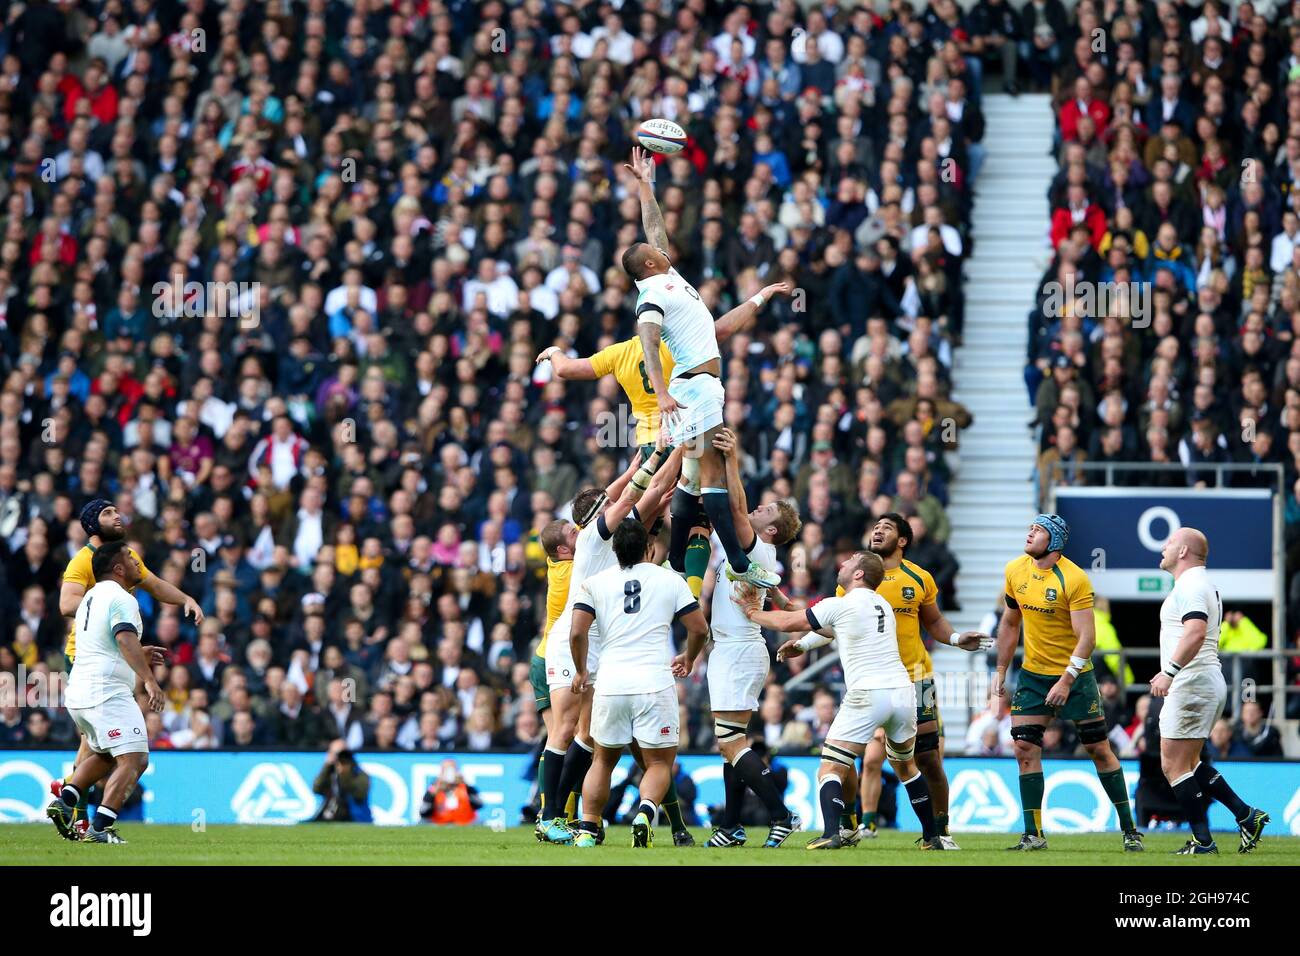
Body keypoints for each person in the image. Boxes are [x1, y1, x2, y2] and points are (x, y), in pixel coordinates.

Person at [537, 277, 791, 600]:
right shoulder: (676, 343)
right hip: (685, 433)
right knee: (702, 520)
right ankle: (692, 593)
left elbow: (566, 370)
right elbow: (722, 330)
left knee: (642, 531)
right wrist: (759, 297)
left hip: (648, 448)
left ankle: (656, 587)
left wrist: (555, 351)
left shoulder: (618, 354)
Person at [623, 145, 780, 591]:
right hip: (693, 387)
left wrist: (644, 185)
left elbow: (653, 227)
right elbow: (649, 344)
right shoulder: (651, 298)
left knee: (691, 481)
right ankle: (737, 560)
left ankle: (675, 562)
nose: (662, 247)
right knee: (711, 472)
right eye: (654, 251)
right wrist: (662, 391)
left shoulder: (666, 278)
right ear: (651, 264)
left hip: (697, 385)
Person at [742, 550, 948, 851]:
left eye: (850, 561)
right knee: (906, 768)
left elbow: (788, 621)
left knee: (830, 767)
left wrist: (752, 613)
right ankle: (932, 837)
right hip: (903, 693)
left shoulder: (841, 603)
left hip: (867, 693)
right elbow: (834, 628)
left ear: (859, 573)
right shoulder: (883, 606)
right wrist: (803, 644)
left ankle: (832, 832)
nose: (842, 564)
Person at [537, 448, 683, 844]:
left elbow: (646, 493)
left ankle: (579, 818)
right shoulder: (591, 538)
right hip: (572, 643)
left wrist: (660, 461)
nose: (614, 504)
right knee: (566, 729)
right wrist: (674, 449)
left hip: (599, 647)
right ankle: (548, 815)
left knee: (588, 735)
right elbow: (637, 494)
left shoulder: (612, 542)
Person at [51, 498, 203, 834]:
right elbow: (66, 603)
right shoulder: (85, 563)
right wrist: (103, 605)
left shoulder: (125, 557)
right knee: (104, 745)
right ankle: (79, 818)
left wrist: (184, 599)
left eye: (117, 510)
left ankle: (69, 802)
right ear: (92, 524)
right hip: (88, 655)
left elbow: (153, 582)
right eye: (107, 513)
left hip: (115, 656)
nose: (117, 515)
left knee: (105, 745)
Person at [993, 515, 1143, 852]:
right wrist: (1000, 672)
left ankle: (1130, 830)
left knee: (1098, 750)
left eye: (1039, 530)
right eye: (1030, 527)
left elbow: (1087, 638)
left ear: (1055, 542)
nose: (1030, 532)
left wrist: (1065, 680)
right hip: (1032, 675)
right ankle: (1033, 834)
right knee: (1024, 748)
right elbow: (1010, 622)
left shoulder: (1074, 579)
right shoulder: (1015, 571)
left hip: (1076, 677)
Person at [687, 428, 802, 848]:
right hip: (738, 648)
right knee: (730, 745)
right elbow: (771, 588)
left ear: (771, 531)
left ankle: (781, 814)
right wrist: (786, 600)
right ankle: (731, 825)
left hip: (737, 649)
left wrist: (732, 459)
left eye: (766, 510)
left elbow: (735, 505)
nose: (757, 508)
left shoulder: (753, 545)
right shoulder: (761, 553)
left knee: (730, 742)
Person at [567, 520, 710, 848]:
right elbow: (699, 627)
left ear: (615, 550)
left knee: (602, 760)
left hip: (611, 683)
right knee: (659, 763)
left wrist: (579, 671)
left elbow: (576, 632)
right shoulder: (669, 580)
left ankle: (588, 829)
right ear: (650, 549)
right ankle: (645, 811)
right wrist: (688, 659)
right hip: (653, 683)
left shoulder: (595, 583)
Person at [852, 513, 991, 847]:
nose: (877, 529)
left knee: (928, 759)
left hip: (917, 680)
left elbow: (935, 621)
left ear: (902, 541)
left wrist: (957, 639)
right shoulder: (854, 576)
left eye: (886, 527)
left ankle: (941, 831)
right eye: (875, 526)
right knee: (856, 755)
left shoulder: (919, 577)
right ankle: (853, 824)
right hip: (870, 681)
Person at [1148, 527, 1268, 855]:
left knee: (1173, 766)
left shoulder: (1192, 585)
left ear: (1184, 551)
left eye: (1170, 542)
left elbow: (1196, 631)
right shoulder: (1198, 584)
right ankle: (1247, 815)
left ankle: (1204, 842)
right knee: (1188, 763)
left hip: (1192, 682)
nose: (1164, 547)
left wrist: (1168, 673)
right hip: (1204, 682)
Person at [47, 541, 163, 845]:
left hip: (80, 692)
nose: (137, 562)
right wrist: (149, 680)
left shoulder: (90, 597)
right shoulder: (122, 598)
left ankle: (65, 800)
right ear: (118, 568)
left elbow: (108, 643)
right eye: (130, 557)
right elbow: (124, 639)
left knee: (104, 753)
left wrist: (139, 651)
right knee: (135, 758)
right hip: (106, 693)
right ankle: (99, 827)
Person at [311, 740, 373, 823]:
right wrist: (326, 767)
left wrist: (345, 775)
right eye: (334, 754)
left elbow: (360, 794)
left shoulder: (359, 774)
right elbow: (316, 788)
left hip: (354, 817)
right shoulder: (329, 772)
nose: (339, 758)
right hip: (331, 814)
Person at [419, 758, 481, 825]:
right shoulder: (434, 788)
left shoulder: (465, 787)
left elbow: (479, 804)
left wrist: (466, 786)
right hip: (440, 823)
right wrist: (432, 794)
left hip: (465, 823)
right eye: (446, 770)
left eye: (451, 770)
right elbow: (423, 812)